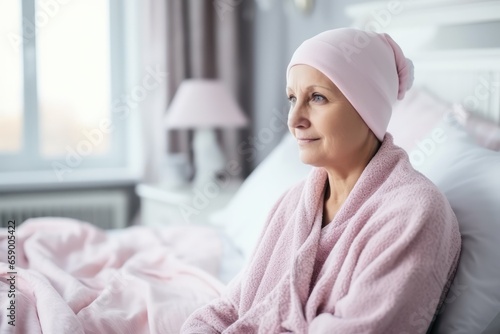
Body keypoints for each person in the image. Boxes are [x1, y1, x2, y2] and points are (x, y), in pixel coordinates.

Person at [181, 28, 461, 333]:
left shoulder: (413, 213)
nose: (293, 119)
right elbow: (231, 306)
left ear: (366, 108)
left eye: (317, 97)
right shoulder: (293, 201)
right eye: (291, 98)